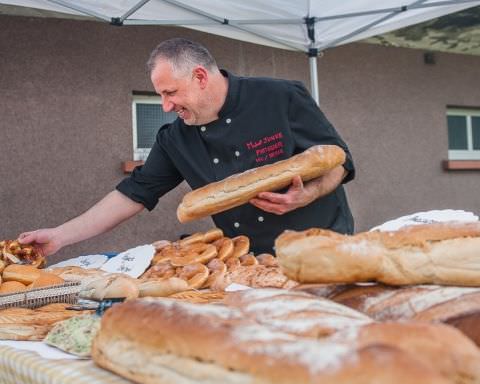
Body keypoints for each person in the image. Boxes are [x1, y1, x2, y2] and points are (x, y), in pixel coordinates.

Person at [19, 38, 355, 256]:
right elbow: (132, 194)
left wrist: (308, 194)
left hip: (323, 247)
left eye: (171, 93)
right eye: (160, 96)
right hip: (251, 261)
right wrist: (60, 236)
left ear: (200, 77)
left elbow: (339, 162)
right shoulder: (174, 138)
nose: (166, 106)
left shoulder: (280, 97)